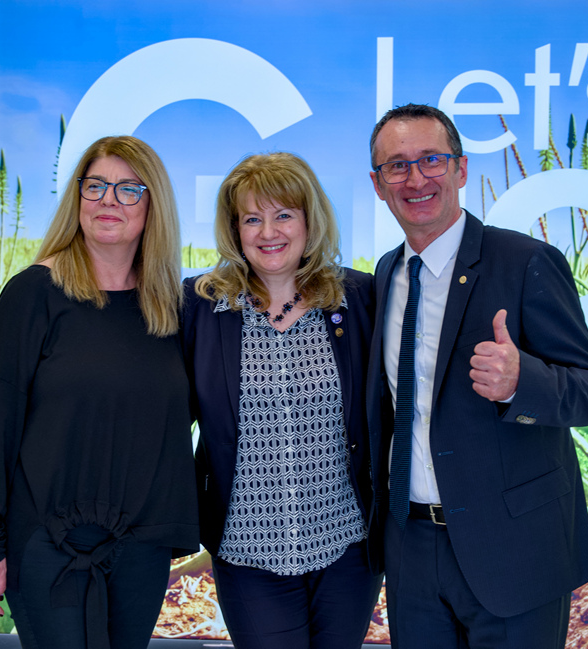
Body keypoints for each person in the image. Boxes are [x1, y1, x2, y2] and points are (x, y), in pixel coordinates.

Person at [365, 103, 588, 648]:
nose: (416, 178)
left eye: (431, 159)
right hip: (410, 550)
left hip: (513, 551)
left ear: (460, 169)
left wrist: (522, 381)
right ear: (378, 185)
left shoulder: (526, 261)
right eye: (397, 166)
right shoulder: (385, 274)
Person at [0, 135, 199, 649]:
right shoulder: (33, 294)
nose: (109, 200)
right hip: (48, 542)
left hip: (141, 547)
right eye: (96, 186)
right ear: (78, 198)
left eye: (129, 189)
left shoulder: (171, 307)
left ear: (153, 206)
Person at [181, 152, 384, 649]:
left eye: (284, 215)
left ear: (310, 221)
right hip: (246, 547)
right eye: (252, 218)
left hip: (346, 544)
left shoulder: (359, 298)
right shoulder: (199, 306)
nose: (268, 232)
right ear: (235, 230)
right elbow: (164, 414)